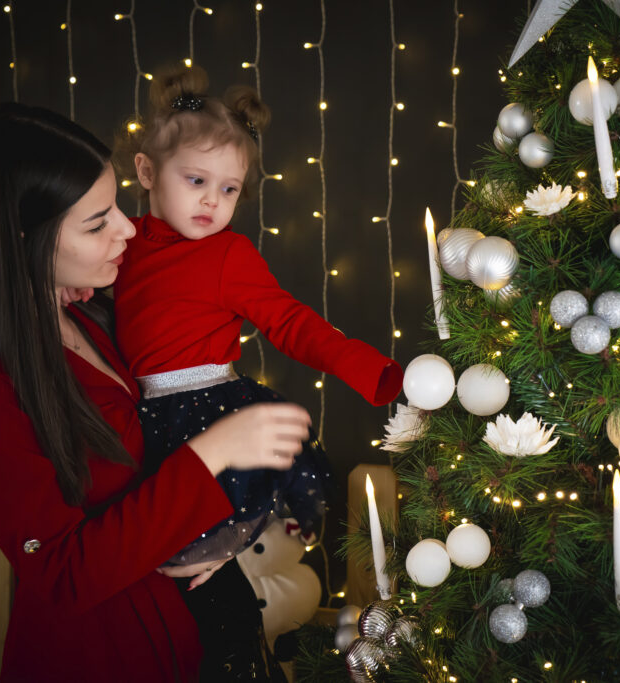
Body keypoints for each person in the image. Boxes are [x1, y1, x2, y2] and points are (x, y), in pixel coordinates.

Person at [0, 101, 312, 683]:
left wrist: (219, 529)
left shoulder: (91, 309)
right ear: (22, 238)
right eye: (96, 221)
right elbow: (64, 572)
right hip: (107, 655)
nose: (128, 228)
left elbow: (156, 455)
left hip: (202, 629)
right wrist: (214, 452)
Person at [114, 64, 403, 564]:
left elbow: (288, 322)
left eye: (230, 189)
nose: (213, 199)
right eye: (196, 179)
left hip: (205, 413)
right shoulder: (121, 242)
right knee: (140, 530)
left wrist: (360, 365)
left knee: (196, 546)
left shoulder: (227, 254)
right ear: (146, 172)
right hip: (140, 418)